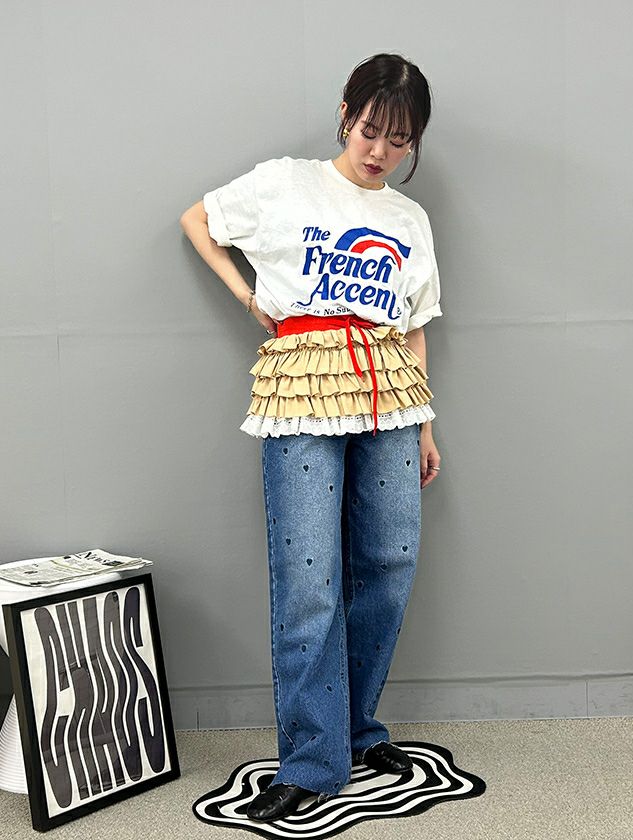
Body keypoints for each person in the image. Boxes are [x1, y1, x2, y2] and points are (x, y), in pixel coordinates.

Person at [180, 52, 443, 822]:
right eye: (370, 131)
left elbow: (415, 327)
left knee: (389, 562)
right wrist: (247, 297)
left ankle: (357, 731)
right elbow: (197, 220)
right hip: (301, 387)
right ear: (345, 114)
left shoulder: (409, 219)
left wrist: (427, 423)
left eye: (400, 140)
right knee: (309, 579)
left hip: (391, 392)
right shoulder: (285, 182)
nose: (379, 151)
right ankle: (311, 760)